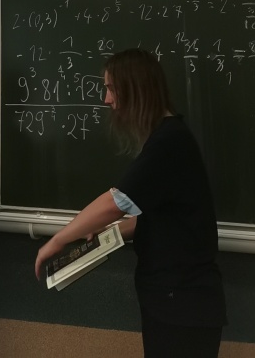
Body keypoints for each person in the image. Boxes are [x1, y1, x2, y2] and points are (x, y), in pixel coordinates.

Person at [34, 49, 226, 358]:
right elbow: (157, 217)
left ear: (134, 88)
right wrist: (110, 234)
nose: (106, 99)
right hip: (172, 302)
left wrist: (59, 240)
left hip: (183, 306)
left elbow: (116, 202)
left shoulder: (169, 142)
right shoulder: (166, 137)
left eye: (111, 88)